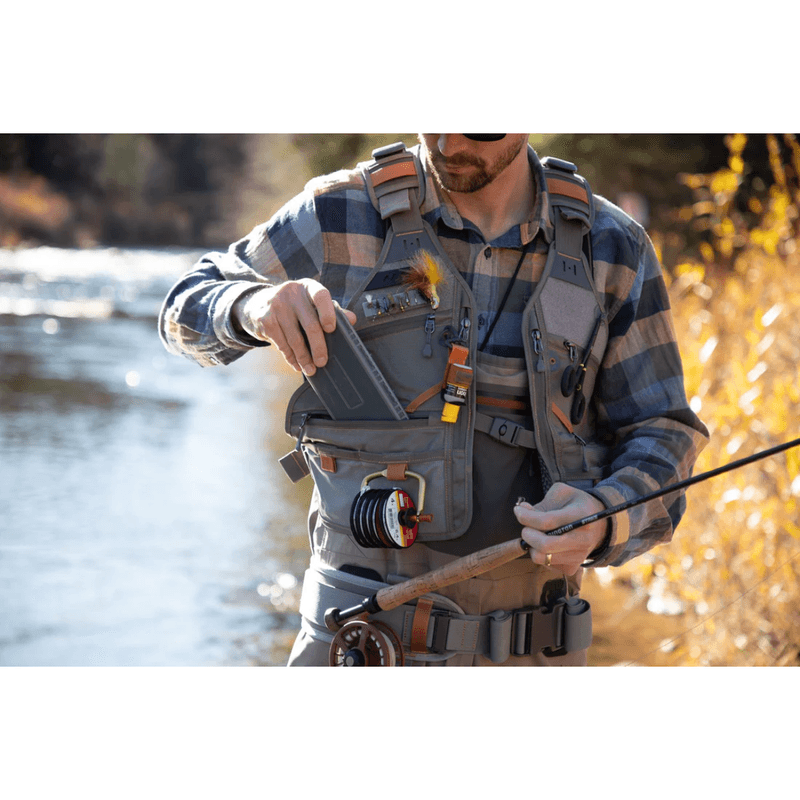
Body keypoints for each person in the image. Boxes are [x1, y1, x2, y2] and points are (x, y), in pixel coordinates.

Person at [159, 134, 709, 666]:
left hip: (540, 651)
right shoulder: (339, 213)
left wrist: (607, 517)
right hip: (357, 643)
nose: (447, 144)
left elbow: (663, 429)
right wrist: (250, 305)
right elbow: (183, 306)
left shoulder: (614, 247)